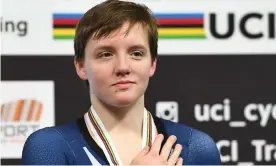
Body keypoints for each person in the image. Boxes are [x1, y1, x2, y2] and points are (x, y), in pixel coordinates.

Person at [21, 0, 221, 165]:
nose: (123, 67)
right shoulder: (49, 147)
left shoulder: (195, 148)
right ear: (81, 67)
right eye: (106, 54)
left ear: (152, 64)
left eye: (136, 53)